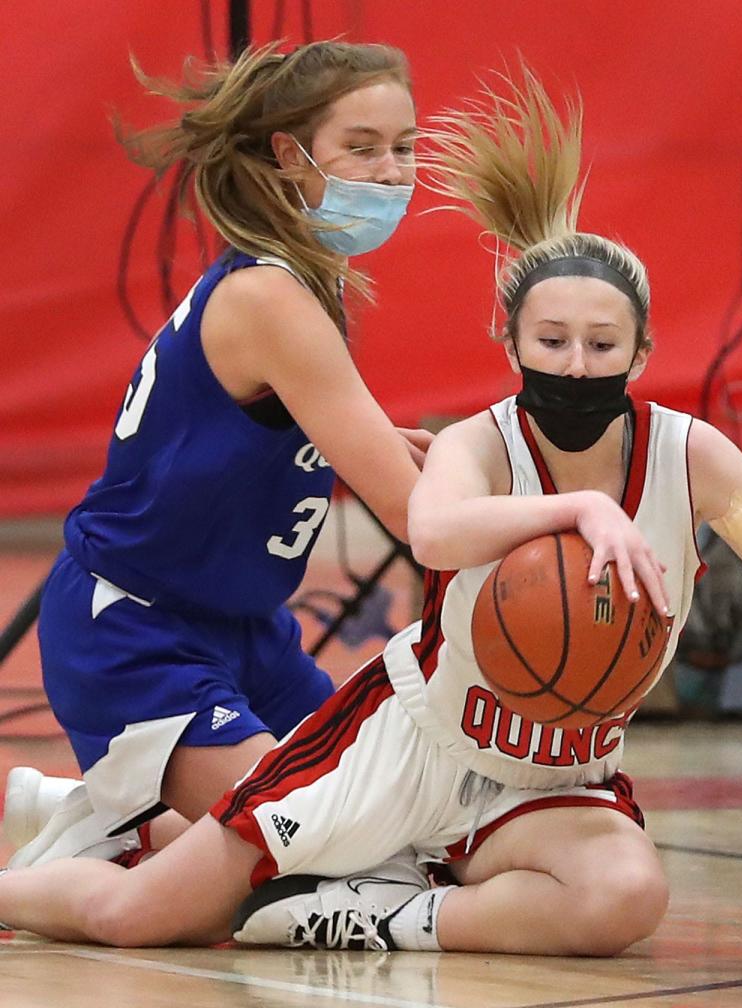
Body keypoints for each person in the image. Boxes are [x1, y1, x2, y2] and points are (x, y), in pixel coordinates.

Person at [0, 67, 742, 955]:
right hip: (200, 646)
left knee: (601, 895)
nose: (576, 361)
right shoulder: (426, 406)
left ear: (645, 348)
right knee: (182, 905)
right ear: (508, 338)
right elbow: (432, 528)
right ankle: (127, 836)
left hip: (418, 707)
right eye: (552, 338)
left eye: (602, 341)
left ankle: (320, 891)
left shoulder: (687, 452)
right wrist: (564, 504)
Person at [3, 39, 433, 869]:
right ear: (289, 156)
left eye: (406, 147)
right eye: (363, 147)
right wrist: (562, 511)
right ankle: (87, 853)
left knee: (398, 830)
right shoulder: (270, 295)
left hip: (246, 630)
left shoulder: (308, 280)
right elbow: (417, 515)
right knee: (326, 855)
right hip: (134, 629)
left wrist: (371, 442)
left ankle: (93, 816)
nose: (391, 173)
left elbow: (291, 434)